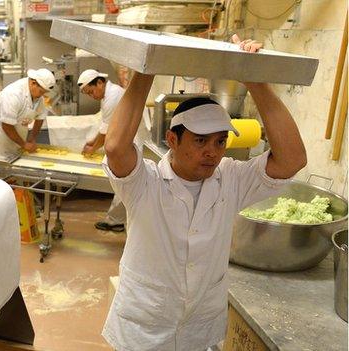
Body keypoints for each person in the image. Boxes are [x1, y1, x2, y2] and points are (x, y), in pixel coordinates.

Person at [101, 37, 307, 350]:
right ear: (172, 139)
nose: (212, 153)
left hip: (199, 326)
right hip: (145, 327)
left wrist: (256, 81)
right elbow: (116, 147)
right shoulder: (146, 183)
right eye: (200, 141)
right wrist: (146, 69)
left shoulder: (231, 180)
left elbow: (293, 159)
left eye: (220, 142)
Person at [77, 69, 127, 232]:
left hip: (131, 142)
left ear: (99, 82)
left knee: (124, 183)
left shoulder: (112, 97)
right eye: (88, 94)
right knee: (123, 183)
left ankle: (116, 221)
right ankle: (118, 219)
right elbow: (106, 126)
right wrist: (93, 142)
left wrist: (92, 147)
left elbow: (106, 132)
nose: (92, 96)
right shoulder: (109, 94)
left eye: (91, 91)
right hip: (124, 140)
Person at [0, 68, 55, 161]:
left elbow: (40, 117)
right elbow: (6, 125)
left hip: (19, 136)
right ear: (33, 83)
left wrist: (32, 138)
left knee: (15, 167)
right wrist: (24, 144)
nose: (42, 95)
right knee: (1, 168)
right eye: (41, 92)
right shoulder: (13, 94)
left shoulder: (37, 95)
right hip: (2, 139)